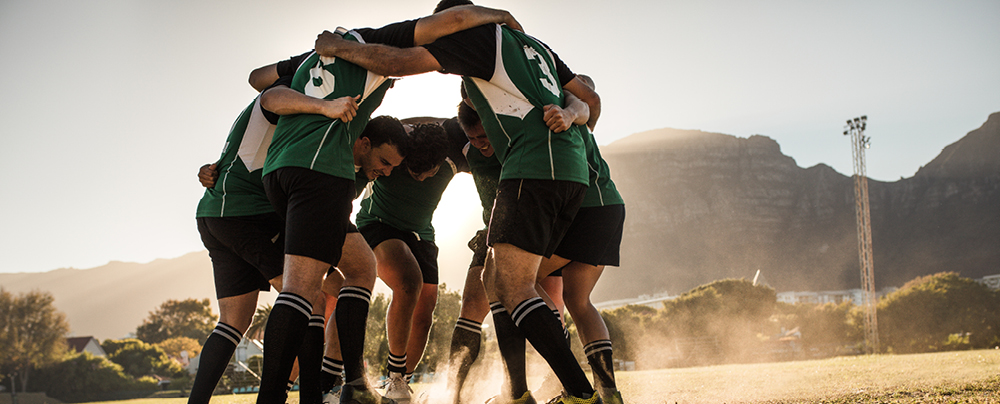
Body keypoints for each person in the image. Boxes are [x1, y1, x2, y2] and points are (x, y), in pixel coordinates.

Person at [312, 1, 602, 402]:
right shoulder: (533, 47)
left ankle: (577, 394)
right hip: (571, 172)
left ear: (450, 24)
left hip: (532, 166)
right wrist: (572, 119)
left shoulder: (476, 41)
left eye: (436, 27)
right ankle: (516, 391)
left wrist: (338, 47)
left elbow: (397, 60)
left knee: (512, 287)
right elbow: (590, 98)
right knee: (496, 283)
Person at [256, 6, 525, 404]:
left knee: (395, 289)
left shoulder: (321, 63)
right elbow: (436, 33)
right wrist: (499, 16)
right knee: (340, 285)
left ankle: (382, 382)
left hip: (293, 176)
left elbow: (260, 82)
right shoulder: (380, 59)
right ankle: (325, 384)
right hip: (346, 196)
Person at [192, 52, 360, 404]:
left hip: (220, 213)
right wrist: (324, 106)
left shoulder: (295, 98)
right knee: (307, 293)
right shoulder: (291, 97)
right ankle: (309, 396)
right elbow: (268, 94)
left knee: (234, 321)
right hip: (241, 212)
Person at [354, 121, 469, 402]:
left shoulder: (456, 142)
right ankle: (394, 377)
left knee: (426, 309)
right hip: (378, 223)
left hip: (421, 232)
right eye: (411, 171)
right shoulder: (398, 141)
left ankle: (402, 382)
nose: (418, 178)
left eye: (425, 173)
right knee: (408, 283)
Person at [535, 75, 627, 404]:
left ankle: (570, 379)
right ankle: (608, 392)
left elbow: (584, 99)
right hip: (609, 206)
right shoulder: (571, 112)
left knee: (516, 281)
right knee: (578, 300)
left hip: (586, 209)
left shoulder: (565, 107)